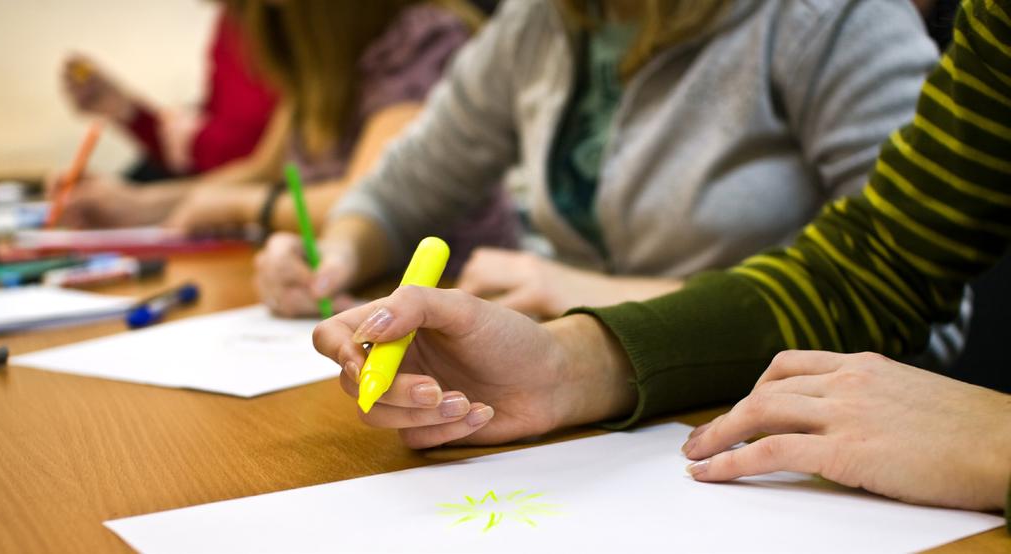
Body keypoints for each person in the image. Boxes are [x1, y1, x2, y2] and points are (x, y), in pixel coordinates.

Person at [311, 0, 1010, 525]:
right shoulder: (542, 21)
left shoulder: (823, 19)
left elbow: (926, 336)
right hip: (667, 426)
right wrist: (568, 362)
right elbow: (872, 271)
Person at [255, 0, 966, 368]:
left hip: (765, 424)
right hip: (607, 403)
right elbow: (408, 183)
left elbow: (926, 306)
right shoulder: (544, 21)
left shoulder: (823, 18)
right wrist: (340, 250)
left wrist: (601, 302)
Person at [54, 0, 517, 269]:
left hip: (451, 293)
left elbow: (375, 197)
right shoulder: (321, 62)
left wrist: (241, 207)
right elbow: (260, 169)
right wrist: (138, 205)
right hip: (352, 286)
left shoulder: (421, 41)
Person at [62, 4, 278, 181]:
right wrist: (129, 112)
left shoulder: (287, 24)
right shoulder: (230, 23)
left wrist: (195, 141)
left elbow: (269, 161)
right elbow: (198, 156)